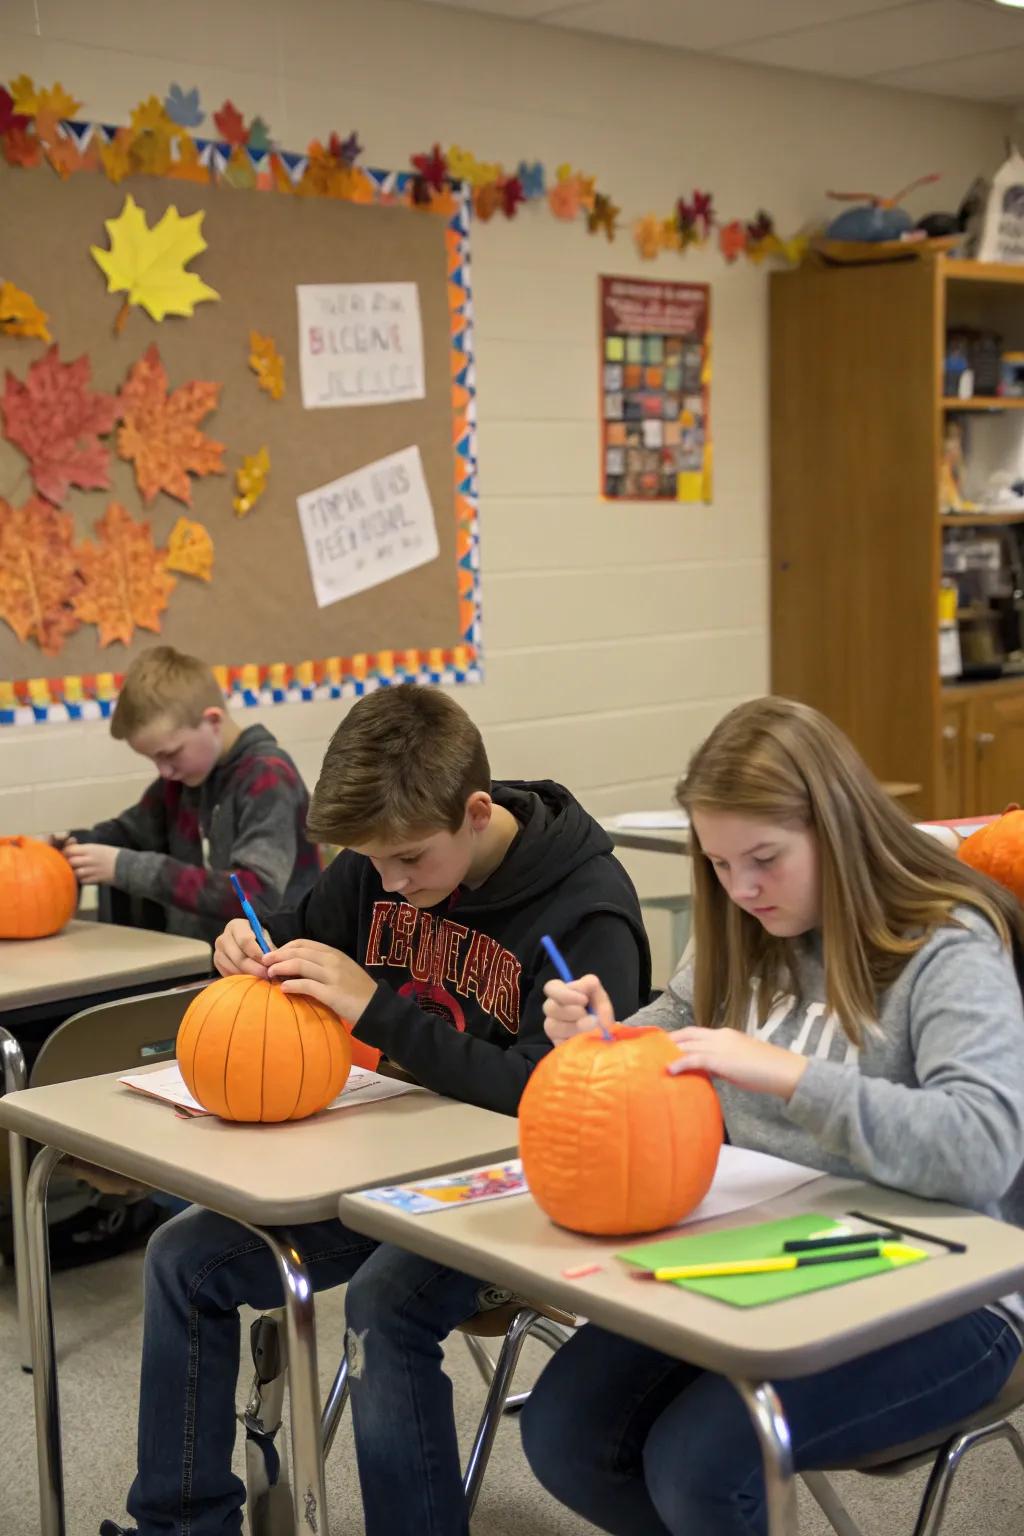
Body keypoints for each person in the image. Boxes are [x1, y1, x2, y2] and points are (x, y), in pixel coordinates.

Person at [102, 683, 650, 1536]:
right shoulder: (380, 860)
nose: (389, 883)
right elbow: (308, 926)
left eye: (408, 862)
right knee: (184, 1256)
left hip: (522, 1185)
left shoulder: (587, 907)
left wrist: (378, 1012)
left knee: (385, 1304)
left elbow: (558, 1096)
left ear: (474, 812)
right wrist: (252, 941)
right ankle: (179, 1527)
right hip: (391, 1166)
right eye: (371, 862)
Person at [522, 695, 1024, 1536]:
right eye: (718, 865)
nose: (742, 888)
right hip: (776, 1255)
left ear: (837, 828)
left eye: (765, 858)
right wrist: (603, 1035)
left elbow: (982, 1151)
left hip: (952, 1290)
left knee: (702, 1465)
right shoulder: (743, 927)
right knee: (566, 1432)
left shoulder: (944, 942)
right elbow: (676, 1036)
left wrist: (795, 1079)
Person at [57, 646, 319, 946]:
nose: (165, 771)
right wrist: (68, 847)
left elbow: (254, 893)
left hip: (277, 964)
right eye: (154, 761)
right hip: (207, 958)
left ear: (213, 721)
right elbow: (128, 833)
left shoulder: (269, 778)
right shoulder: (183, 779)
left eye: (170, 754)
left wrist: (126, 868)